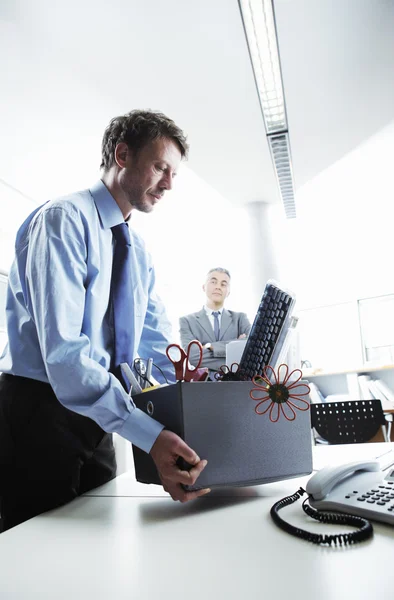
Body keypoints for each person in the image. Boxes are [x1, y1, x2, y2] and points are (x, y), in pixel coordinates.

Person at [0, 109, 210, 531]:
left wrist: (195, 396)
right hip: (38, 412)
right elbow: (65, 354)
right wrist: (148, 435)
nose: (169, 183)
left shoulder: (138, 252)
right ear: (122, 154)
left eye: (173, 173)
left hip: (100, 414)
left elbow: (153, 343)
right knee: (39, 555)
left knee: (101, 542)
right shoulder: (63, 220)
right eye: (160, 167)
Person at [179, 268, 251, 375]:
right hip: (204, 386)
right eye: (213, 282)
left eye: (223, 284)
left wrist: (210, 346)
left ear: (228, 292)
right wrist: (236, 348)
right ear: (204, 287)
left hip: (236, 382)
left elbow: (251, 347)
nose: (218, 287)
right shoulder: (187, 321)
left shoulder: (240, 318)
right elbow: (193, 357)